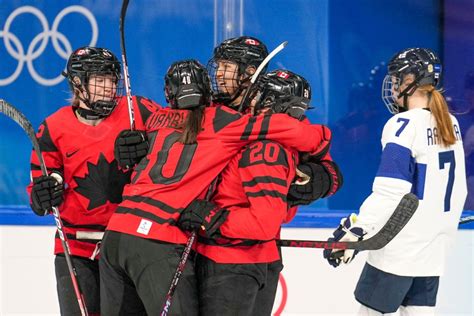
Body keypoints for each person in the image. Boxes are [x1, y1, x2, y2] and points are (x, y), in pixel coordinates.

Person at [100, 59, 332, 315]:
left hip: (115, 234)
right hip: (159, 236)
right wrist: (322, 142)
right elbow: (284, 127)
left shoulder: (154, 118)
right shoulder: (224, 120)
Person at [185, 69, 342, 316]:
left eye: (259, 96)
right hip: (259, 258)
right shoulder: (289, 142)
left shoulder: (263, 146)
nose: (253, 101)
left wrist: (214, 218)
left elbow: (264, 221)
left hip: (229, 260)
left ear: (271, 102)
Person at [323, 48, 467, 316]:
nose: (393, 87)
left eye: (397, 79)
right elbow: (459, 190)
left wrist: (357, 231)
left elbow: (391, 191)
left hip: (400, 248)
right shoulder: (450, 122)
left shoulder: (402, 124)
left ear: (411, 80)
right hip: (434, 249)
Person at [27, 46, 160, 315]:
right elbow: (42, 184)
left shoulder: (138, 111)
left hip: (127, 247)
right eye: (100, 80)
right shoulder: (52, 128)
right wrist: (42, 194)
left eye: (112, 79)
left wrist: (148, 144)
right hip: (76, 248)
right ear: (78, 83)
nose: (109, 87)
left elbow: (176, 137)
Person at [208, 35, 338, 208]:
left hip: (246, 221)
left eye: (226, 66)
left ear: (250, 71)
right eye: (218, 66)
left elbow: (330, 171)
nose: (218, 73)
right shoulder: (207, 109)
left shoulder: (271, 109)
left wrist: (323, 177)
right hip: (205, 218)